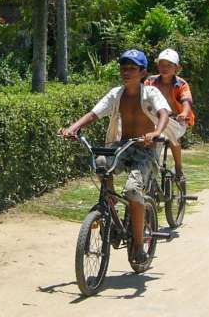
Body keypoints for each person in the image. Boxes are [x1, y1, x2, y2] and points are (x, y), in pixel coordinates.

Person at [59, 49, 170, 265]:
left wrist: (156, 132)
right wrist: (72, 128)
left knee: (131, 190)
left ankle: (138, 245)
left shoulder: (150, 93)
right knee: (100, 162)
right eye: (123, 68)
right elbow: (94, 113)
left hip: (145, 149)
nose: (126, 72)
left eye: (132, 68)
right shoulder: (116, 94)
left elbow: (163, 113)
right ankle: (108, 208)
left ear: (143, 72)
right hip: (124, 145)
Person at [145, 48, 195, 182]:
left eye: (169, 65)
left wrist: (183, 114)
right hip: (155, 121)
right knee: (149, 140)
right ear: (157, 65)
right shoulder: (150, 82)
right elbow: (142, 99)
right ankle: (151, 167)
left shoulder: (181, 84)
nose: (164, 68)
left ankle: (178, 168)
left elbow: (186, 101)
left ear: (176, 68)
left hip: (176, 121)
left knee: (173, 138)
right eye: (162, 64)